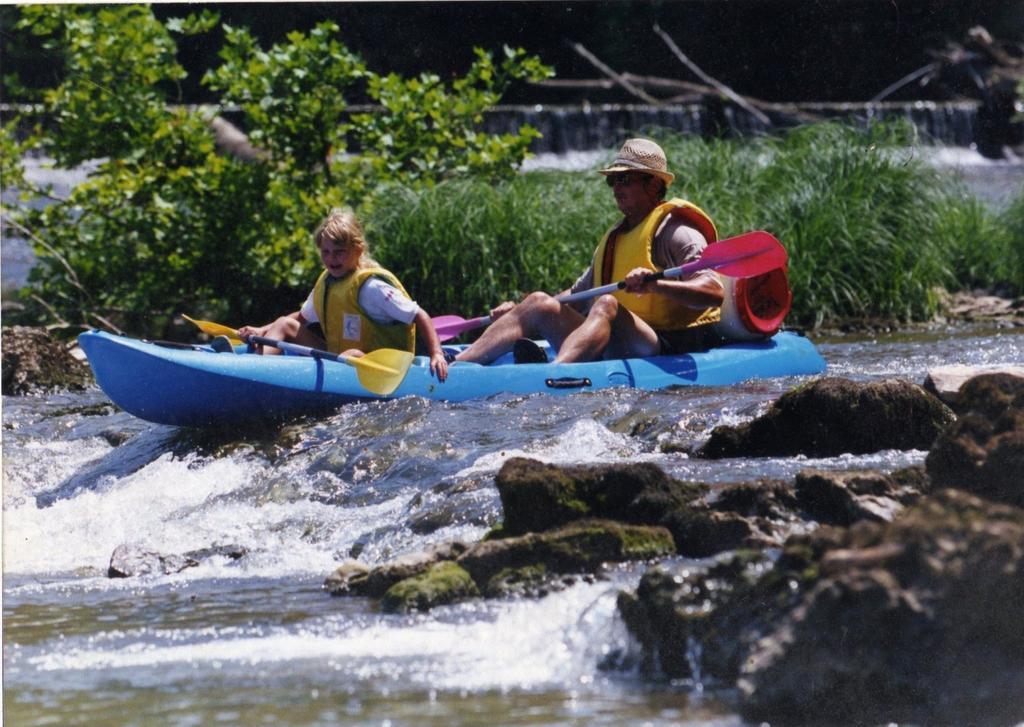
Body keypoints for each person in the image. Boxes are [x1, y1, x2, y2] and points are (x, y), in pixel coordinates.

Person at [454, 138, 725, 365]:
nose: (617, 188)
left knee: (606, 303)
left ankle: (553, 373)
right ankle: (459, 366)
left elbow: (714, 292)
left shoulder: (677, 231)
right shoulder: (615, 238)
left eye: (626, 179)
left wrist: (657, 284)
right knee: (538, 301)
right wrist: (521, 310)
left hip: (663, 344)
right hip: (619, 341)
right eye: (613, 181)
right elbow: (576, 296)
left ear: (653, 184)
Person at [237, 208, 449, 381]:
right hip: (337, 358)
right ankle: (258, 369)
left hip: (378, 367)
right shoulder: (327, 283)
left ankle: (259, 375)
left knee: (352, 355)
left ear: (357, 250)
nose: (332, 259)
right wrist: (262, 329)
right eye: (326, 252)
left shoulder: (372, 288)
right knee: (284, 323)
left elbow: (419, 315)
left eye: (339, 252)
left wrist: (436, 354)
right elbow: (301, 319)